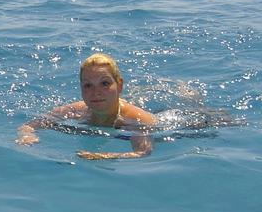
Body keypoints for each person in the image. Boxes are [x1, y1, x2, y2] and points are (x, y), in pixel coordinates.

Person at [15, 53, 157, 160]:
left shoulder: (139, 120)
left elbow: (143, 152)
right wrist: (27, 135)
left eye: (105, 83)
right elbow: (28, 126)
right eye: (88, 85)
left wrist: (104, 156)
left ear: (119, 85)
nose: (96, 92)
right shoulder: (74, 110)